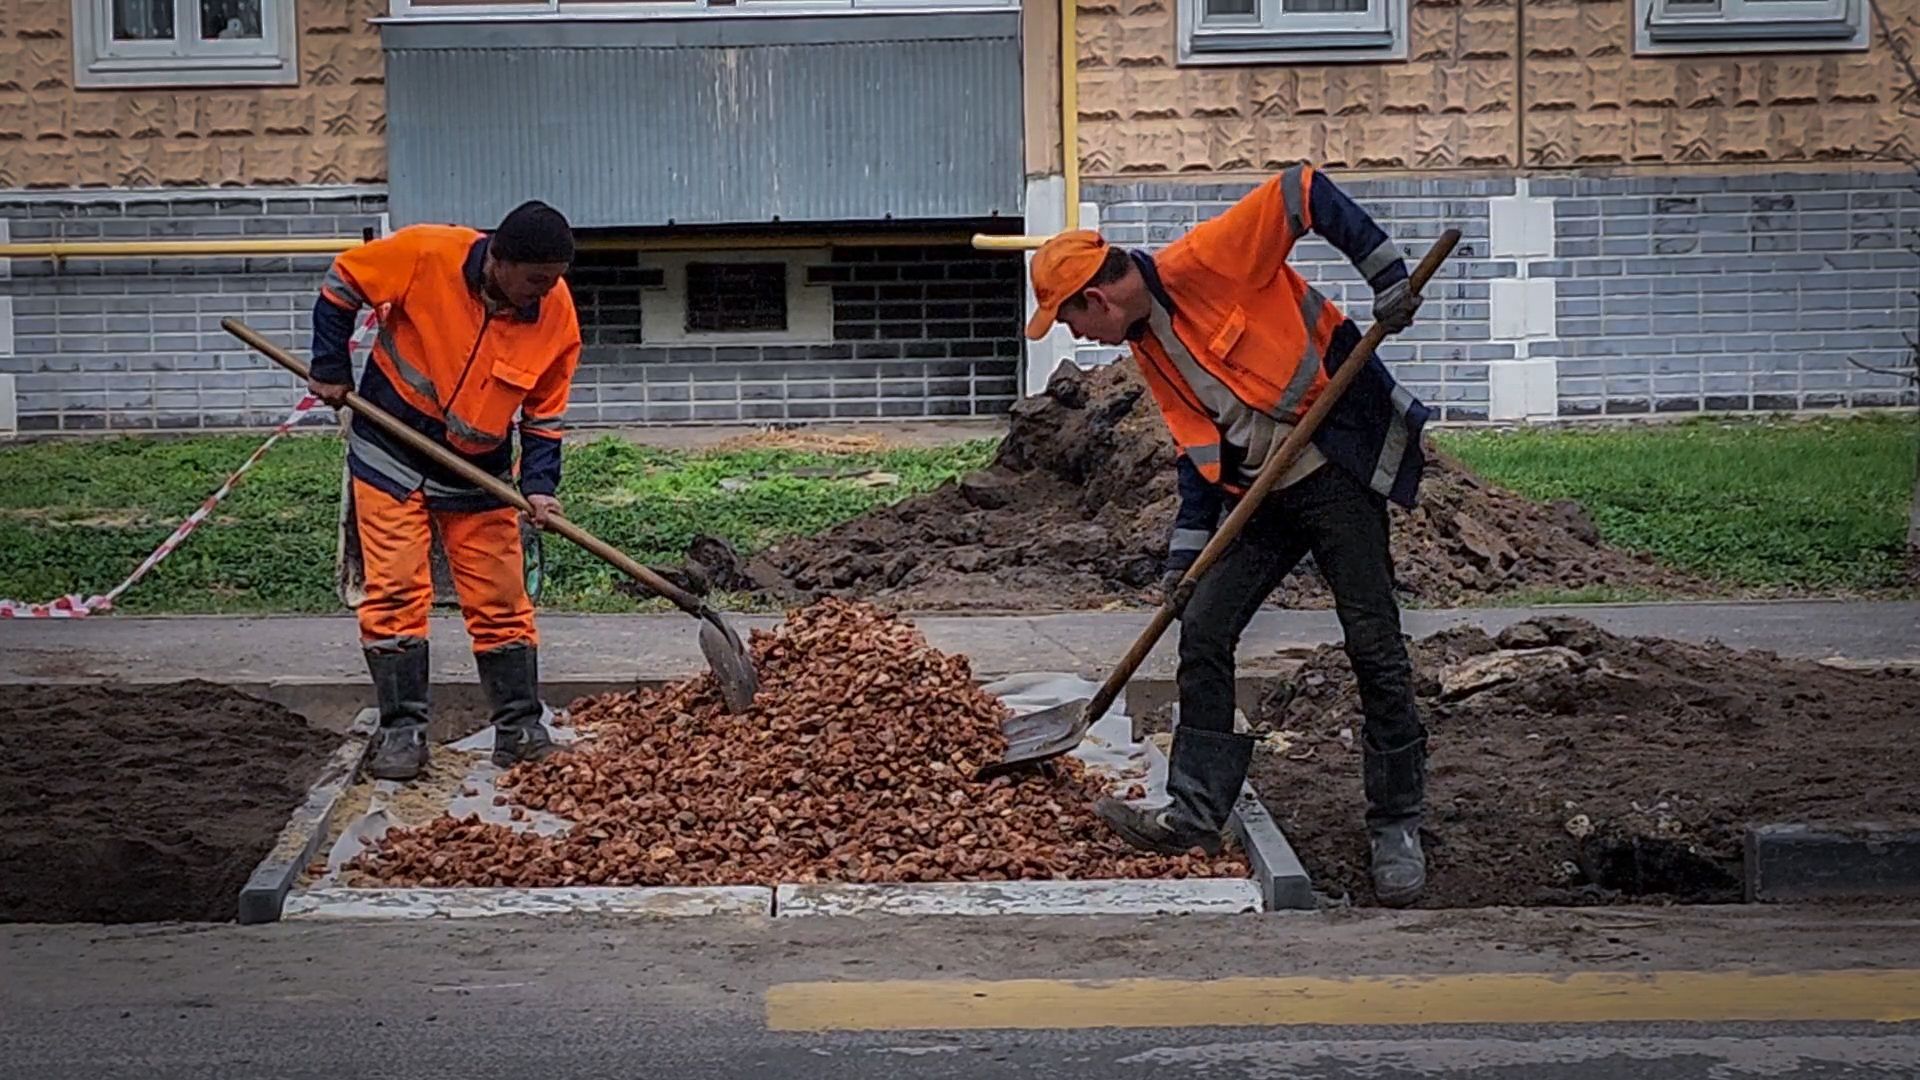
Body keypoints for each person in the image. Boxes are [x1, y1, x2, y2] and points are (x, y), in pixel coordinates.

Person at [1023, 164, 1434, 905]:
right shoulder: (1147, 344)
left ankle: (1397, 823)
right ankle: (1195, 812)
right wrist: (1183, 569)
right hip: (1260, 494)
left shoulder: (1208, 257)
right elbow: (1199, 454)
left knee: (1373, 641)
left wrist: (1386, 274)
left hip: (1333, 466)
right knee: (1204, 628)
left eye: (1072, 321)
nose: (1079, 338)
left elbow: (1302, 189)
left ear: (1098, 296)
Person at [307, 200, 582, 781]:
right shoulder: (427, 253)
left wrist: (540, 487)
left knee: (504, 600)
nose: (545, 293)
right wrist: (330, 366)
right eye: (536, 280)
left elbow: (544, 417)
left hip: (477, 471)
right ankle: (402, 734)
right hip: (390, 448)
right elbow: (341, 283)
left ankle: (520, 730)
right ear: (499, 261)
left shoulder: (557, 317)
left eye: (555, 280)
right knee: (397, 589)